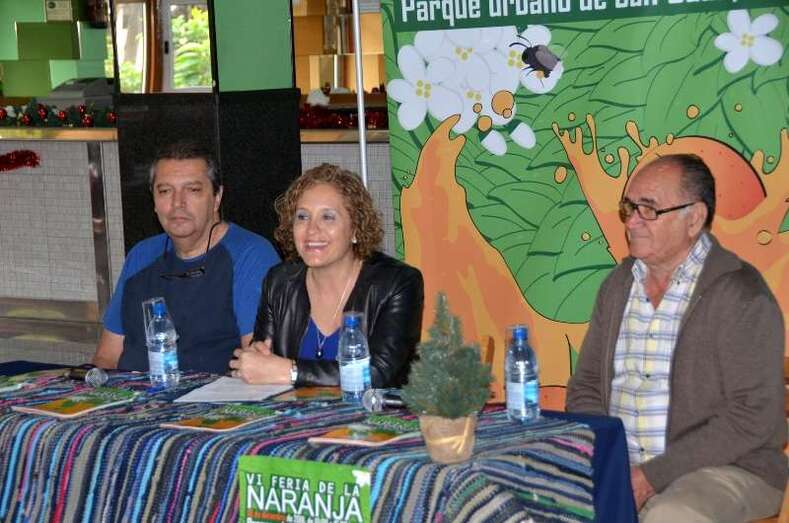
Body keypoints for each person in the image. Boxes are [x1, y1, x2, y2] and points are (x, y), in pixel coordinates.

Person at [566, 154, 786, 522]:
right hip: (625, 466)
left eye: (649, 209)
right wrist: (609, 460)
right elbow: (585, 386)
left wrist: (650, 477)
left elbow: (753, 417)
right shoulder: (618, 286)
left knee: (672, 516)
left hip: (728, 468)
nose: (632, 221)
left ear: (694, 218)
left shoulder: (741, 294)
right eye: (629, 207)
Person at [92, 141, 280, 374]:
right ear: (153, 200)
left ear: (217, 197)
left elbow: (257, 366)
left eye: (192, 190)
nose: (177, 203)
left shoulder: (250, 256)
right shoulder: (142, 255)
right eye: (165, 191)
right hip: (133, 400)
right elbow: (106, 357)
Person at [229, 163, 424, 387]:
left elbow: (379, 374)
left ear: (355, 229)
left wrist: (290, 371)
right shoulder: (279, 281)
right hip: (297, 417)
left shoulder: (398, 283)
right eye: (302, 217)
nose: (312, 230)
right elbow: (264, 354)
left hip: (376, 418)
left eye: (328, 217)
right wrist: (256, 359)